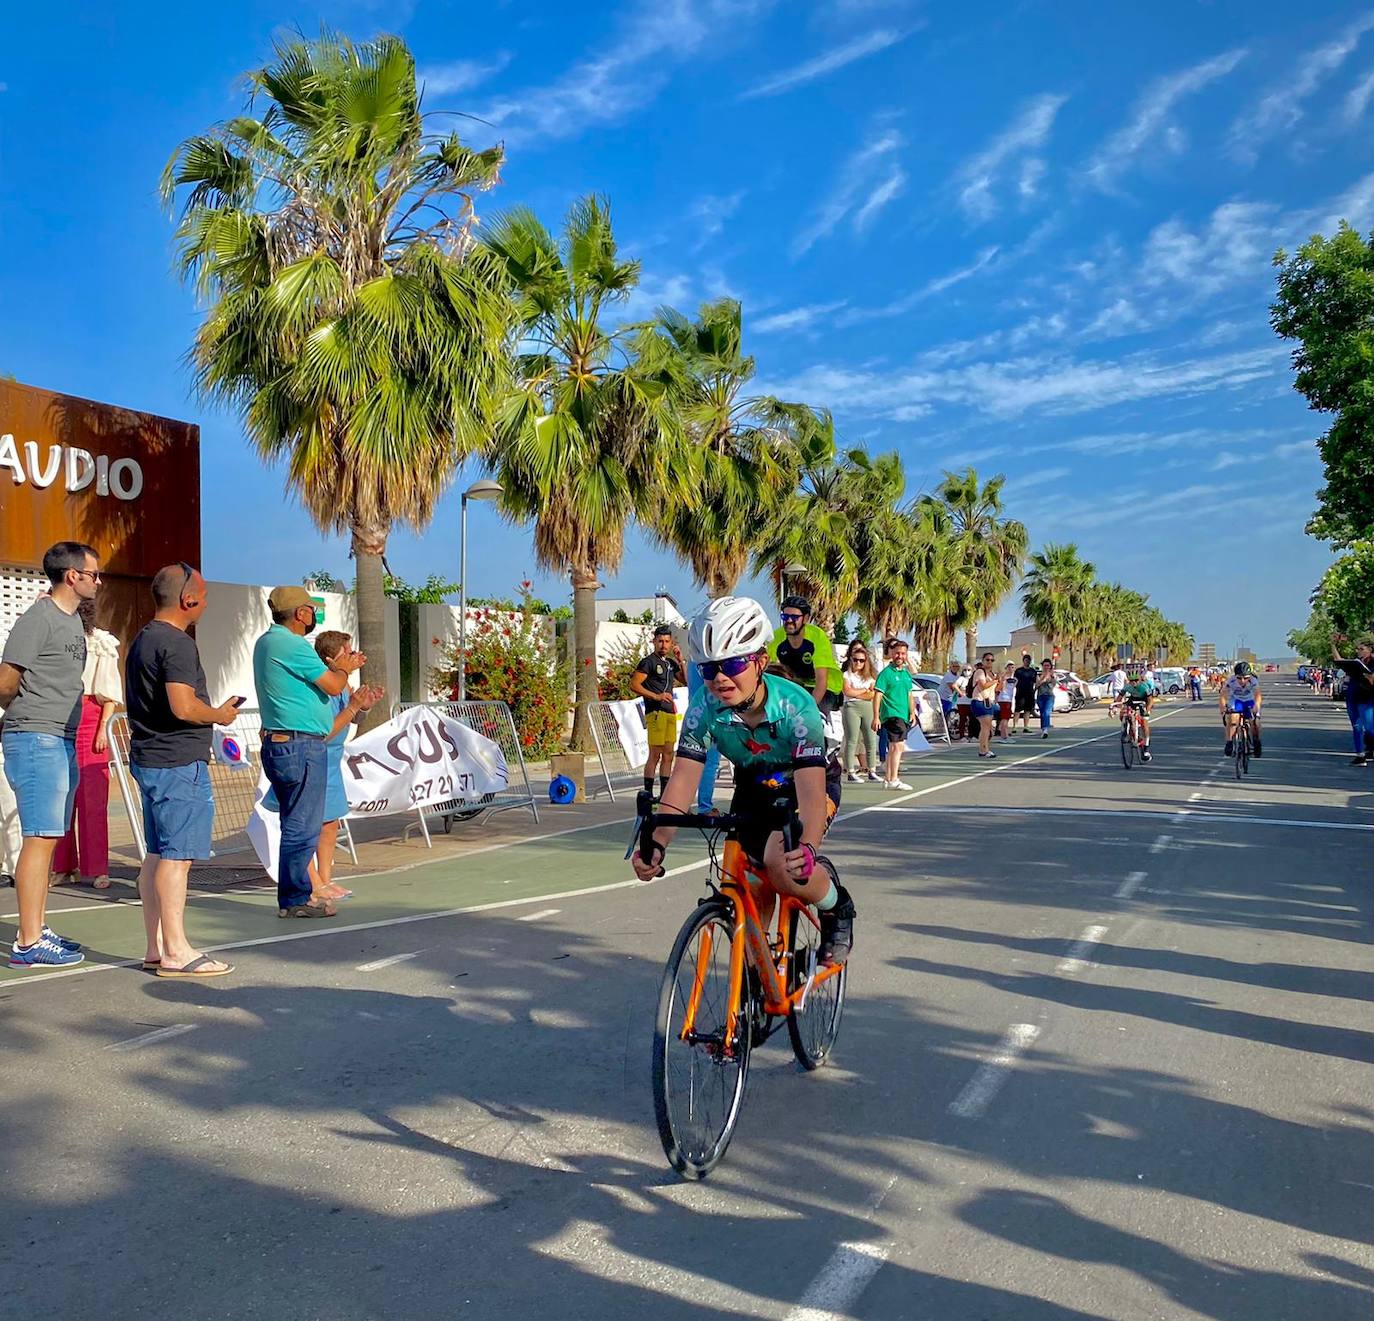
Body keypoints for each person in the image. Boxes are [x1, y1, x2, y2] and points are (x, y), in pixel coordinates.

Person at [632, 596, 855, 966]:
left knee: (782, 866)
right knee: (746, 884)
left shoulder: (796, 707)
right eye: (709, 668)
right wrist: (657, 843)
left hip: (806, 781)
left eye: (733, 663)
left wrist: (808, 846)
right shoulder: (704, 706)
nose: (720, 678)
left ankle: (837, 905)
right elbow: (683, 779)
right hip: (755, 784)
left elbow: (812, 794)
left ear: (760, 661)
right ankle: (760, 976)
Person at [125, 562, 241, 978]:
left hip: (151, 758)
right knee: (177, 858)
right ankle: (176, 949)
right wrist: (219, 714)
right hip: (177, 761)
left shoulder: (143, 639)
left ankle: (157, 946)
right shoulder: (176, 644)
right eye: (204, 597)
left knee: (158, 854)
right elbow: (183, 706)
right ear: (188, 600)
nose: (206, 603)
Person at [0, 542, 100, 967]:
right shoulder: (38, 618)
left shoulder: (72, 621)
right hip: (37, 737)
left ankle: (36, 928)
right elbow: (6, 681)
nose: (98, 581)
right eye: (93, 574)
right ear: (72, 576)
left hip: (60, 738)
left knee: (49, 838)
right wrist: (24, 716)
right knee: (39, 839)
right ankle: (27, 943)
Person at [253, 586, 366, 919]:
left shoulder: (266, 642)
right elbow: (332, 684)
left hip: (282, 744)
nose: (313, 615)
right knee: (302, 827)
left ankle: (294, 896)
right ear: (301, 613)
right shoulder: (293, 645)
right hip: (300, 746)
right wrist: (344, 668)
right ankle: (297, 899)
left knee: (295, 823)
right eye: (311, 609)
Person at [305, 630, 385, 902]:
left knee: (330, 824)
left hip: (333, 762)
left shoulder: (345, 685)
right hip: (315, 758)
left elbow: (354, 718)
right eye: (347, 653)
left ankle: (326, 879)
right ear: (330, 659)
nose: (353, 657)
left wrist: (364, 706)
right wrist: (352, 707)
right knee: (307, 826)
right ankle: (313, 883)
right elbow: (325, 731)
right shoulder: (321, 687)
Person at [51, 598, 123, 890]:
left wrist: (103, 728)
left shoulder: (100, 643)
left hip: (91, 718)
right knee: (60, 798)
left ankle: (98, 868)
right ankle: (64, 866)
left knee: (93, 800)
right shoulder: (54, 641)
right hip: (59, 717)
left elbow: (109, 694)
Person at [629, 625, 686, 799]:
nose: (663, 645)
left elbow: (686, 680)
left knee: (669, 754)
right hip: (655, 712)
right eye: (660, 641)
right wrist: (656, 696)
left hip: (670, 712)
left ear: (671, 643)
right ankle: (648, 793)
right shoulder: (648, 662)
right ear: (654, 642)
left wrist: (681, 660)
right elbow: (634, 685)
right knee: (655, 753)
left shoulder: (671, 663)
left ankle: (664, 795)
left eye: (667, 641)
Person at [768, 595, 842, 715]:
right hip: (797, 684)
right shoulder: (776, 637)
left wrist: (810, 711)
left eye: (794, 617)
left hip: (825, 687)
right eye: (785, 616)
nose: (789, 621)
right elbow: (765, 669)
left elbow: (821, 680)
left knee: (811, 716)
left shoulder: (817, 636)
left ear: (806, 618)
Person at [872, 638, 917, 791]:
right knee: (898, 746)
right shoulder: (886, 674)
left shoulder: (905, 674)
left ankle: (888, 778)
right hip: (892, 714)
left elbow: (909, 695)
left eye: (903, 653)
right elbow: (877, 695)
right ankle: (894, 779)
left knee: (894, 747)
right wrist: (876, 716)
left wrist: (912, 712)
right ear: (892, 654)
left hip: (903, 715)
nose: (900, 656)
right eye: (897, 653)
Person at [840, 640, 880, 782]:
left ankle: (872, 770)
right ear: (851, 659)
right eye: (855, 659)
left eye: (862, 660)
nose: (858, 663)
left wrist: (857, 693)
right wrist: (863, 690)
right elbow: (847, 691)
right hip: (851, 707)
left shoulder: (870, 676)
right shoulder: (846, 674)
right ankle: (850, 771)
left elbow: (873, 694)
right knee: (852, 740)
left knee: (870, 740)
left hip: (867, 707)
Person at [1331, 636, 1374, 764]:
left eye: (1361, 649)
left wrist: (1368, 676)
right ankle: (1360, 756)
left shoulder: (1372, 662)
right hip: (1352, 696)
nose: (1358, 651)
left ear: (1370, 650)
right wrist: (1333, 645)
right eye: (1357, 649)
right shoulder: (1356, 663)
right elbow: (1339, 661)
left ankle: (1370, 749)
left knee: (1369, 727)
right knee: (1356, 726)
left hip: (1366, 697)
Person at [1113, 663, 1155, 762]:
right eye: (1132, 681)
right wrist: (1115, 707)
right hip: (1133, 699)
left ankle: (1146, 749)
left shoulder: (1144, 686)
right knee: (1124, 712)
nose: (1134, 683)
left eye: (1136, 680)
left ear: (1139, 680)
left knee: (1144, 722)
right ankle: (1128, 730)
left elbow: (1150, 701)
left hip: (1144, 701)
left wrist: (1147, 711)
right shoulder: (1127, 686)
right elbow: (1119, 698)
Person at [1220, 662, 1263, 758]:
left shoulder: (1253, 680)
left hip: (1249, 700)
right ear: (1235, 676)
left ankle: (1256, 741)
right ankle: (1229, 742)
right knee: (1232, 719)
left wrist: (1256, 705)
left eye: (1245, 678)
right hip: (1236, 700)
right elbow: (1223, 694)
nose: (1242, 681)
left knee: (1255, 722)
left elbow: (1257, 694)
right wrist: (1223, 708)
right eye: (1239, 678)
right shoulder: (1231, 681)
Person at [968, 652, 999, 759]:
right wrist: (995, 681)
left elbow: (997, 689)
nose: (990, 662)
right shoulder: (980, 672)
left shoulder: (992, 674)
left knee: (987, 727)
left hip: (989, 702)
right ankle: (983, 750)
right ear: (983, 661)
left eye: (992, 660)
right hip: (980, 701)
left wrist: (1000, 681)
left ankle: (984, 749)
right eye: (987, 660)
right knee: (985, 727)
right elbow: (983, 686)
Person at [1013, 652, 1038, 733]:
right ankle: (1015, 727)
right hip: (1020, 693)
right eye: (1026, 660)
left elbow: (1036, 681)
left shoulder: (1033, 671)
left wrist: (1034, 690)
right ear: (1023, 661)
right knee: (1017, 710)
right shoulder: (1018, 671)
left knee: (1027, 710)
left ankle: (1026, 727)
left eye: (1029, 660)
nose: (1027, 662)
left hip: (1029, 693)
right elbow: (1015, 681)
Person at [938, 660, 963, 739]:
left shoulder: (958, 676)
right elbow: (952, 686)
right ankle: (944, 732)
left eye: (957, 666)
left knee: (950, 713)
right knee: (945, 714)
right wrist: (959, 693)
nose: (955, 668)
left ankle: (947, 731)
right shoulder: (948, 675)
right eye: (954, 666)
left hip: (950, 697)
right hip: (943, 697)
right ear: (950, 667)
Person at [1035, 658, 1057, 738]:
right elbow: (1037, 685)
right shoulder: (1039, 675)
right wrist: (1043, 679)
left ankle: (1045, 730)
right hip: (1040, 696)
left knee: (1046, 712)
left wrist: (1050, 677)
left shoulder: (1053, 675)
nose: (1046, 667)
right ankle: (1043, 728)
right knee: (1042, 713)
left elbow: (1053, 685)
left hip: (1049, 696)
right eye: (1044, 665)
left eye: (1048, 665)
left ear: (1050, 666)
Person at [998, 662, 1016, 739]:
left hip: (1009, 700)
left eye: (1012, 667)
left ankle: (1004, 733)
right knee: (1004, 718)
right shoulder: (1003, 677)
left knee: (1007, 717)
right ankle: (1004, 735)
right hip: (1003, 699)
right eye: (1009, 667)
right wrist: (1003, 680)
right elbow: (999, 688)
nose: (1011, 669)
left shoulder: (1014, 678)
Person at [954, 667, 973, 740]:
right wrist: (960, 692)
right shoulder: (961, 679)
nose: (967, 671)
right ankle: (961, 736)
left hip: (971, 701)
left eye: (969, 670)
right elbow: (955, 685)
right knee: (963, 718)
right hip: (962, 702)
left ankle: (971, 735)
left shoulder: (972, 679)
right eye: (965, 670)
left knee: (972, 719)